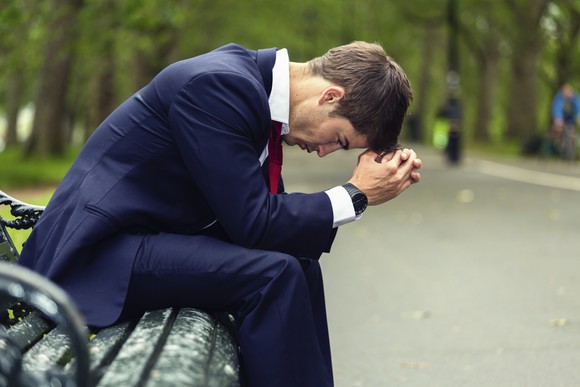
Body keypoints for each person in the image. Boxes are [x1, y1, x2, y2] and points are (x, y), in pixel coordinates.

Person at [19, 42, 421, 386]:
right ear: (330, 96)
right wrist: (354, 195)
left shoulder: (254, 93)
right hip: (96, 254)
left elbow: (267, 224)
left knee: (298, 265)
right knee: (273, 277)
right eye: (339, 139)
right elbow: (255, 223)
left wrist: (358, 195)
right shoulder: (218, 85)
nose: (325, 151)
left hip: (144, 238)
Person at [550, 83, 580, 160]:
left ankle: (572, 152)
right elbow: (557, 108)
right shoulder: (559, 98)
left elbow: (578, 107)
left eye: (569, 92)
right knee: (558, 129)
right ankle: (558, 144)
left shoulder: (575, 98)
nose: (567, 94)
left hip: (571, 120)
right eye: (565, 92)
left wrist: (578, 116)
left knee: (572, 134)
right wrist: (558, 118)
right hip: (561, 119)